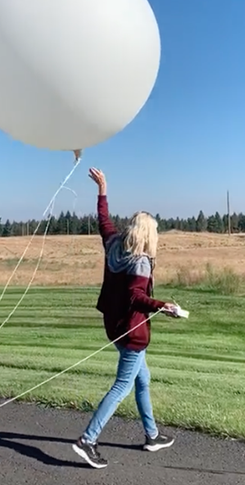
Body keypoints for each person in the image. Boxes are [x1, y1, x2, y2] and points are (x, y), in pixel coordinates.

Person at [71, 167, 179, 469]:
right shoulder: (141, 261)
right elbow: (136, 297)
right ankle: (88, 440)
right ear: (148, 234)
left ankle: (152, 435)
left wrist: (102, 189)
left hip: (113, 326)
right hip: (132, 333)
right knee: (122, 386)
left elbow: (103, 221)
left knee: (143, 380)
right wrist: (164, 306)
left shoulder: (114, 244)